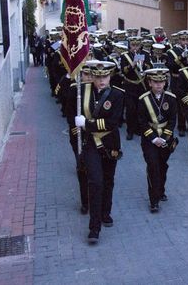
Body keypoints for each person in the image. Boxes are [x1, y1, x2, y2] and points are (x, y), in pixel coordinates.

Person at [73, 60, 125, 244]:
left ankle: (105, 212)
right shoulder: (82, 91)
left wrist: (86, 124)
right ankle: (94, 227)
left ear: (110, 76)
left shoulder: (118, 95)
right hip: (90, 144)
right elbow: (69, 104)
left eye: (104, 76)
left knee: (108, 180)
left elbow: (113, 122)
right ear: (92, 76)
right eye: (97, 76)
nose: (101, 80)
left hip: (110, 142)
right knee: (95, 181)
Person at [137, 68, 178, 213]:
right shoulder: (143, 100)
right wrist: (154, 138)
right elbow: (141, 122)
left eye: (162, 81)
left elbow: (173, 120)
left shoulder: (171, 98)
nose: (159, 85)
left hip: (166, 139)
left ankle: (161, 190)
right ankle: (154, 200)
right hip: (150, 139)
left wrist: (165, 137)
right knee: (153, 166)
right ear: (149, 83)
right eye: (155, 82)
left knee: (162, 166)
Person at [62, 62, 94, 215]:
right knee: (82, 168)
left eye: (91, 75)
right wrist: (77, 130)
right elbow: (69, 113)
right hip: (79, 135)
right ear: (81, 75)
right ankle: (85, 202)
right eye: (86, 75)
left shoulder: (97, 92)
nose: (89, 78)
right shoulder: (75, 90)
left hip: (94, 136)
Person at [121, 36, 151, 140]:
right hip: (130, 86)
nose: (135, 47)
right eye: (133, 45)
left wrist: (144, 65)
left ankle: (139, 129)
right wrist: (132, 64)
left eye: (137, 45)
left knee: (141, 109)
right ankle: (130, 130)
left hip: (142, 85)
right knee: (130, 109)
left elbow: (150, 68)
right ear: (130, 45)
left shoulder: (145, 54)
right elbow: (123, 71)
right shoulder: (125, 56)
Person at [167, 30, 188, 137]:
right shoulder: (172, 51)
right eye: (183, 39)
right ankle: (181, 126)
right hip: (177, 80)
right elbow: (171, 66)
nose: (185, 42)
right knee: (180, 104)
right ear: (179, 40)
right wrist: (181, 57)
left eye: (187, 39)